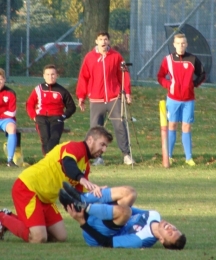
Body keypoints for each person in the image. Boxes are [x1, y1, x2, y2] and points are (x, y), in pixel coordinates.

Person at [0, 126, 113, 243]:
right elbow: (68, 164)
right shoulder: (74, 147)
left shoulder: (85, 165)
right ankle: (2, 217)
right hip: (28, 188)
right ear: (90, 140)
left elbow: (79, 195)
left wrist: (97, 193)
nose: (104, 150)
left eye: (106, 146)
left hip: (45, 198)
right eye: (102, 144)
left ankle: (23, 221)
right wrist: (82, 179)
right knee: (38, 238)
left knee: (60, 237)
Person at [59, 183, 186, 250]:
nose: (170, 228)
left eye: (170, 233)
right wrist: (103, 197)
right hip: (104, 215)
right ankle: (82, 198)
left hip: (97, 233)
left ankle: (82, 206)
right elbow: (125, 205)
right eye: (174, 229)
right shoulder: (154, 214)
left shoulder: (140, 240)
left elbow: (106, 243)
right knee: (131, 193)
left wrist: (83, 223)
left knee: (126, 213)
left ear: (162, 240)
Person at [76, 31, 134, 166]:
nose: (103, 42)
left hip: (114, 97)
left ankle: (126, 154)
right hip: (96, 99)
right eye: (100, 39)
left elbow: (124, 75)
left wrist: (127, 92)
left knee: (120, 125)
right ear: (96, 41)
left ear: (109, 41)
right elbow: (83, 77)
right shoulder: (89, 57)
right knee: (96, 129)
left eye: (105, 39)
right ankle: (97, 157)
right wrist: (81, 96)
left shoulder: (116, 56)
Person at [157, 33, 206, 166]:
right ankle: (170, 156)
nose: (181, 46)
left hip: (188, 100)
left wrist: (193, 84)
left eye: (183, 43)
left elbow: (202, 73)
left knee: (186, 126)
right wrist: (168, 85)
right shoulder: (168, 59)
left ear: (186, 44)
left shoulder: (192, 59)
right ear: (174, 45)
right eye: (178, 43)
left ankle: (188, 157)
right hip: (173, 99)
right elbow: (160, 76)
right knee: (172, 125)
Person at [26, 64, 76, 155]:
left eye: (53, 74)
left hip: (57, 117)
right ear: (44, 76)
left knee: (54, 138)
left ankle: (50, 159)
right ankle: (48, 160)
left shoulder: (62, 91)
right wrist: (34, 117)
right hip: (41, 117)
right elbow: (29, 104)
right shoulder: (38, 89)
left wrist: (63, 116)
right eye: (48, 74)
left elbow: (72, 107)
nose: (50, 77)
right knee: (45, 138)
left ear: (57, 75)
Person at [0, 68, 18, 167]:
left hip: (5, 120)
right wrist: (4, 112)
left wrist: (2, 114)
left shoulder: (10, 93)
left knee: (12, 128)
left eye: (0, 79)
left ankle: (10, 160)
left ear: (4, 80)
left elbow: (12, 112)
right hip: (4, 115)